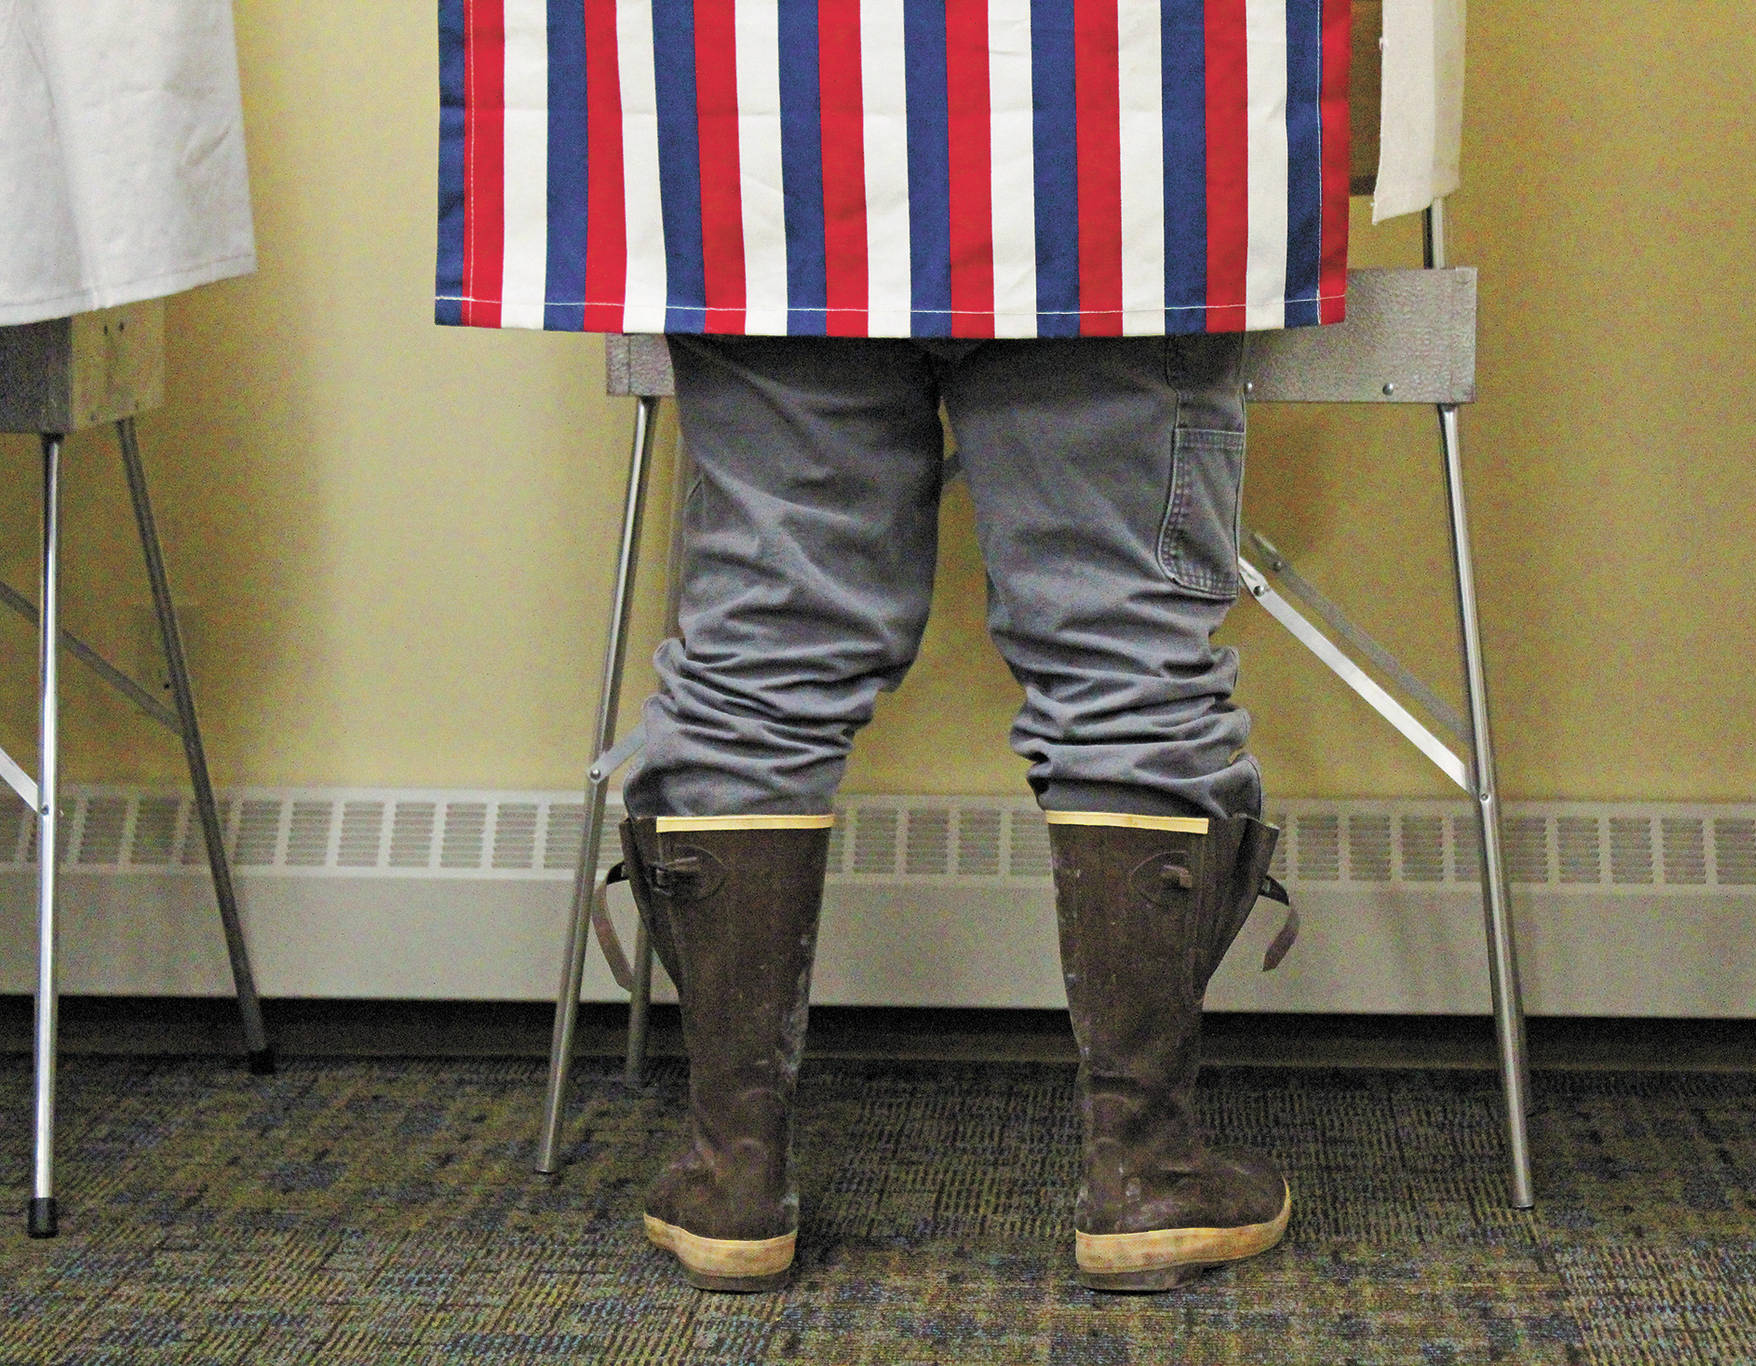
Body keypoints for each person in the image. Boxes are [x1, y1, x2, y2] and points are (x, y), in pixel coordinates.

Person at [438, 0, 1351, 1293]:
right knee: (1124, 641)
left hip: (768, 92)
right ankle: (1146, 1170)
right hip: (1114, 95)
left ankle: (731, 1170)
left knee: (761, 649)